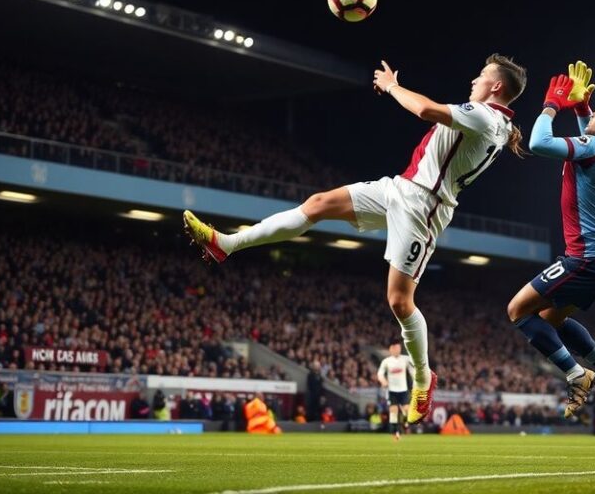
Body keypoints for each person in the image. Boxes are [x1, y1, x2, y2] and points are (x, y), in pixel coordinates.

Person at [184, 55, 527, 424]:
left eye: (482, 76)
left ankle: (424, 378)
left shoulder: (485, 116)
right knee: (316, 205)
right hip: (400, 188)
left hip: (425, 207)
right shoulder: (495, 122)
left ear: (496, 87)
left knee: (399, 301)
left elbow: (426, 109)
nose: (474, 79)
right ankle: (226, 244)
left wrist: (393, 86)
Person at [507, 61, 595, 419]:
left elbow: (538, 143)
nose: (592, 111)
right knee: (550, 318)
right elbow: (593, 142)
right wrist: (582, 109)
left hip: (587, 258)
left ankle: (577, 374)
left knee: (518, 311)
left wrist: (553, 104)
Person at [377, 342, 414, 440]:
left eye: (398, 348)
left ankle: (406, 425)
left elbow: (412, 370)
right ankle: (395, 433)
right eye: (394, 348)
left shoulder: (405, 359)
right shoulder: (386, 361)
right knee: (393, 412)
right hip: (392, 390)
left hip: (403, 390)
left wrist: (415, 379)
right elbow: (380, 374)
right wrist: (383, 380)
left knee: (406, 410)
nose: (397, 350)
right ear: (390, 349)